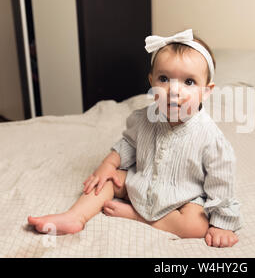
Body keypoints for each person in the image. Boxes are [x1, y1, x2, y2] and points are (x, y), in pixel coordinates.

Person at [28, 29, 242, 248]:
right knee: (107, 180)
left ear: (206, 91)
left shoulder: (210, 137)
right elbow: (129, 145)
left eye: (188, 82)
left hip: (182, 199)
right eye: (164, 79)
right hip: (142, 181)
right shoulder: (144, 118)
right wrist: (107, 165)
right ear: (152, 82)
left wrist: (222, 224)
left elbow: (221, 183)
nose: (174, 90)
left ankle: (138, 217)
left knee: (196, 225)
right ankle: (75, 216)